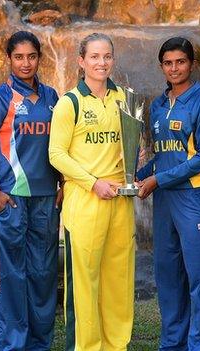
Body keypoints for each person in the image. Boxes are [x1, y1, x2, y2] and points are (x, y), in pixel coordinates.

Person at [49, 32, 135, 351]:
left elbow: (127, 145)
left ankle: (117, 344)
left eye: (107, 57)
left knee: (118, 278)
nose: (102, 63)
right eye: (95, 57)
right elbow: (56, 154)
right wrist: (92, 182)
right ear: (82, 61)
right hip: (85, 200)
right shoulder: (69, 102)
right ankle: (87, 346)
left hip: (119, 200)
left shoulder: (123, 98)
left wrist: (135, 156)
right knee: (84, 282)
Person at [0, 31, 61, 350]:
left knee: (42, 273)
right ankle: (12, 344)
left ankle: (40, 343)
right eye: (19, 57)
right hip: (9, 199)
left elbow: (61, 146)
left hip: (45, 200)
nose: (26, 63)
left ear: (40, 58)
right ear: (8, 59)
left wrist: (63, 184)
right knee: (11, 277)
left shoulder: (54, 97)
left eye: (32, 56)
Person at [136, 37, 200, 351]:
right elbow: (162, 154)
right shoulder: (158, 104)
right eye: (168, 63)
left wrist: (157, 179)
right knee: (168, 276)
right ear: (162, 66)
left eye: (180, 62)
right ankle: (173, 342)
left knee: (199, 276)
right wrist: (138, 177)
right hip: (164, 200)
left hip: (193, 197)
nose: (174, 68)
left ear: (191, 64)